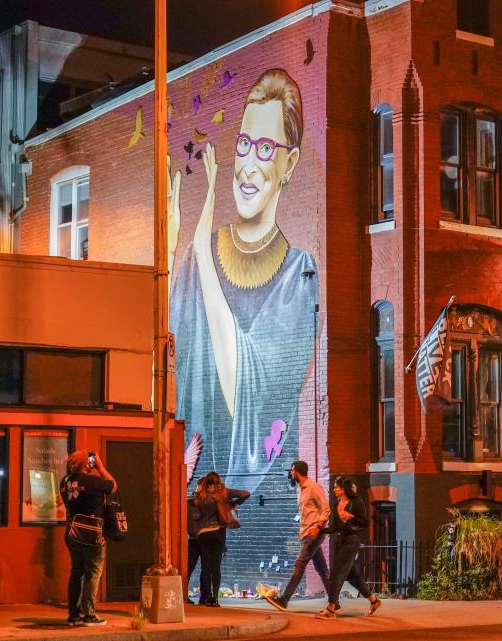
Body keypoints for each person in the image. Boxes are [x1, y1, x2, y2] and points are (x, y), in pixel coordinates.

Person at [169, 68, 319, 500]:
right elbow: (167, 368)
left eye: (267, 148)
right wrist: (172, 248)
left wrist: (198, 249)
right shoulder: (198, 259)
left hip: (257, 513)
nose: (248, 165)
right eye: (244, 144)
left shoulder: (298, 275)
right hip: (193, 499)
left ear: (290, 164)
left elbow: (249, 402)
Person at [60, 450, 117, 627]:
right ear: (86, 464)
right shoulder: (94, 481)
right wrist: (101, 468)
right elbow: (113, 486)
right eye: (90, 461)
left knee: (76, 572)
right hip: (92, 532)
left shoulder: (65, 482)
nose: (92, 463)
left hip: (72, 531)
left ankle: (74, 615)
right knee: (93, 572)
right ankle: (89, 615)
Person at [265, 461, 330, 611]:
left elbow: (326, 510)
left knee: (299, 565)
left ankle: (284, 599)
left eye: (292, 470)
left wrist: (317, 527)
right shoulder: (300, 489)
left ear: (298, 472)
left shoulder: (314, 488)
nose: (291, 473)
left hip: (314, 534)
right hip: (306, 533)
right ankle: (335, 602)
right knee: (322, 569)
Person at [315, 477, 381, 619]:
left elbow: (364, 523)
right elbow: (333, 528)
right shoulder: (337, 503)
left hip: (351, 541)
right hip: (340, 541)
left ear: (343, 488)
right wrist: (319, 531)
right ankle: (374, 601)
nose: (334, 489)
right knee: (353, 576)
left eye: (336, 487)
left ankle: (331, 609)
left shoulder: (356, 503)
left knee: (335, 574)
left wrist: (350, 517)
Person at [190, 471, 250, 606]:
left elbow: (193, 510)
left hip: (203, 534)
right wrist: (232, 505)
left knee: (206, 567)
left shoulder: (201, 496)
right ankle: (215, 599)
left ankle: (205, 598)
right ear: (218, 482)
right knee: (216, 567)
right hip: (218, 533)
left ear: (205, 483)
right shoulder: (223, 493)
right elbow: (245, 494)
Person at [185, 479, 202, 605]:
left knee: (206, 568)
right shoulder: (191, 502)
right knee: (190, 567)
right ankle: (184, 594)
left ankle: (206, 595)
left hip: (198, 538)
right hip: (196, 538)